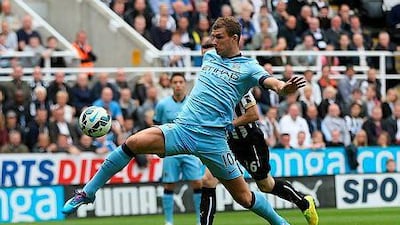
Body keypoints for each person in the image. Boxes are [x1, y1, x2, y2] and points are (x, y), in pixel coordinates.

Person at [62, 16, 306, 225]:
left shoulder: (249, 67)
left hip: (214, 141)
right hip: (183, 130)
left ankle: (280, 222)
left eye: (219, 36)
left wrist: (285, 87)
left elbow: (272, 83)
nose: (213, 41)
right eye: (212, 36)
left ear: (235, 37)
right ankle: (88, 192)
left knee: (243, 197)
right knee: (132, 143)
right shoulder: (210, 54)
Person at [199, 39, 318, 225]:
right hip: (226, 142)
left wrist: (229, 124)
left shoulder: (235, 83)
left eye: (211, 53)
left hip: (249, 140)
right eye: (204, 54)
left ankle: (303, 202)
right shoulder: (206, 85)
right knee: (207, 180)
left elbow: (253, 114)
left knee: (265, 185)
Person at [154, 72, 203, 225]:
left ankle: (199, 219)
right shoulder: (162, 105)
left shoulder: (193, 103)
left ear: (185, 84)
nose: (178, 85)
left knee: (197, 183)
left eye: (181, 82)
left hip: (190, 150)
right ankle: (169, 221)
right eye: (175, 82)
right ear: (170, 84)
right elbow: (155, 126)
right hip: (170, 151)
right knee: (169, 184)